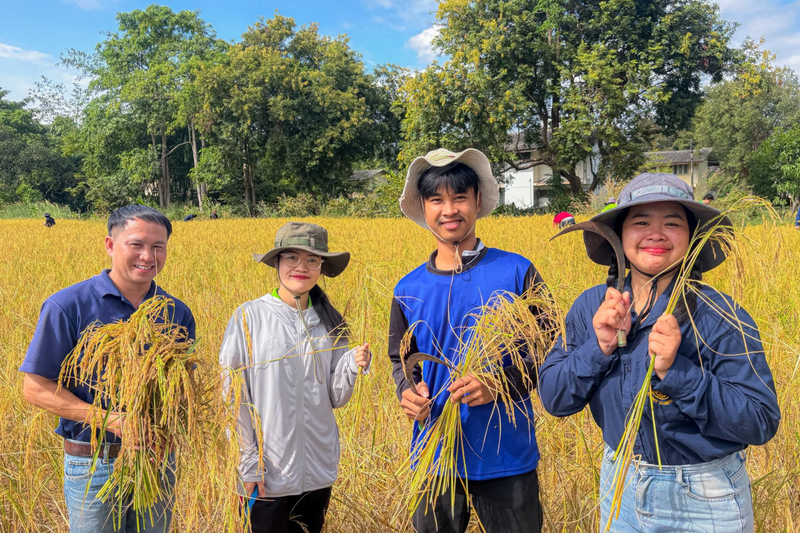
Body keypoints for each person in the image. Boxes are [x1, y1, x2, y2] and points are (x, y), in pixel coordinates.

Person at [538, 173, 780, 532]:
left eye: (671, 222)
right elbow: (555, 399)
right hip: (619, 483)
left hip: (704, 495)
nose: (656, 233)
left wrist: (677, 372)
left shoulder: (719, 314)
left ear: (693, 237)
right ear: (619, 235)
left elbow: (760, 420)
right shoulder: (592, 306)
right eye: (640, 222)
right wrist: (599, 346)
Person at [389, 148, 548, 533]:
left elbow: (550, 350)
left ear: (477, 201)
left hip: (505, 453)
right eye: (437, 200)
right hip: (434, 455)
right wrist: (408, 392)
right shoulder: (408, 289)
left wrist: (501, 385)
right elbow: (401, 358)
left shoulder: (517, 271)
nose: (450, 210)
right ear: (423, 208)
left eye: (460, 197)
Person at [20, 205, 195, 533]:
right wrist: (111, 421)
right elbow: (34, 387)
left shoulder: (176, 313)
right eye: (136, 244)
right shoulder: (68, 305)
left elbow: (181, 388)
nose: (148, 255)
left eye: (158, 247)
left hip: (156, 461)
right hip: (93, 461)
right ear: (110, 245)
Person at [219, 222, 371, 533]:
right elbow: (232, 396)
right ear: (276, 262)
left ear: (322, 267)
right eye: (291, 257)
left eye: (312, 259)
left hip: (317, 468)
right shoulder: (249, 317)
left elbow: (335, 397)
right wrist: (249, 463)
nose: (301, 267)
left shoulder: (330, 321)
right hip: (268, 474)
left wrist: (351, 367)